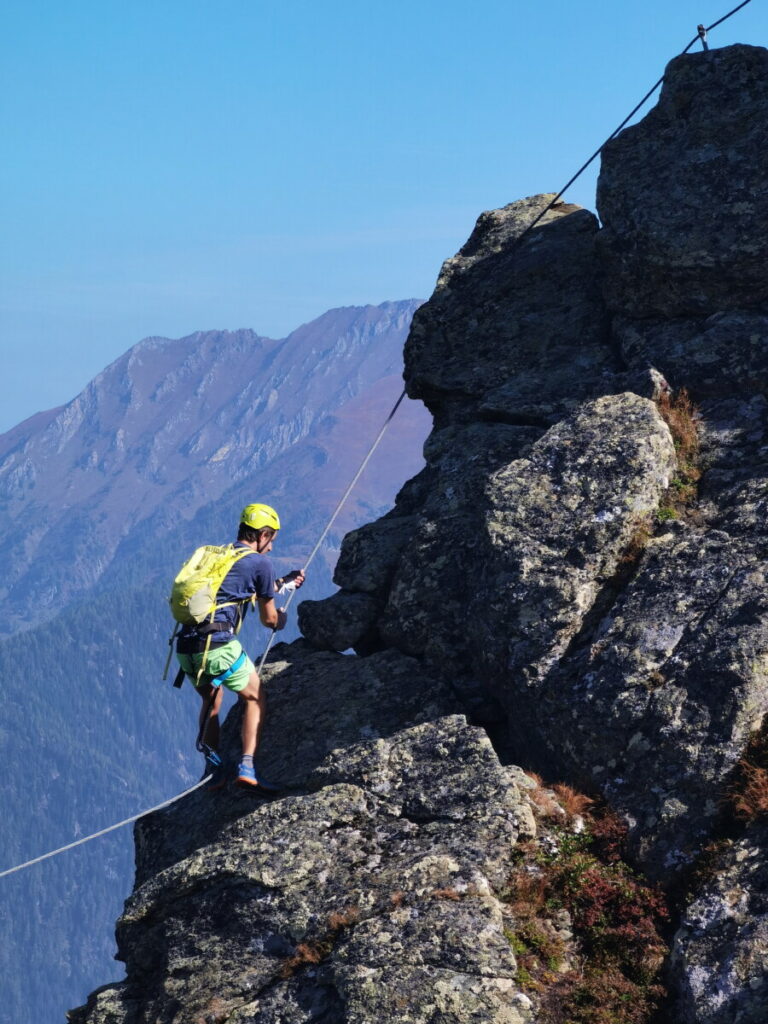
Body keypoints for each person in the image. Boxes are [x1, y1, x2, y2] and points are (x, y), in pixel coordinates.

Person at [175, 503, 305, 790]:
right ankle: (246, 766)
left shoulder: (221, 555)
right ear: (263, 534)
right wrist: (281, 619)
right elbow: (269, 619)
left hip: (186, 648)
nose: (270, 548)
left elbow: (240, 590)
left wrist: (285, 582)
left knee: (212, 701)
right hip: (218, 646)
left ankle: (213, 769)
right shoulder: (260, 563)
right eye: (270, 540)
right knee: (255, 696)